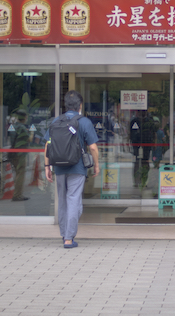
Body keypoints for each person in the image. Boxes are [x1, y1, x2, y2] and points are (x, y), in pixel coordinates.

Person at [45, 90, 99, 249]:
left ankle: (65, 235)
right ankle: (69, 238)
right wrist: (96, 164)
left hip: (59, 168)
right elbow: (93, 147)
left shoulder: (56, 121)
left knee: (63, 202)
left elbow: (48, 145)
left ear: (66, 105)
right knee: (74, 201)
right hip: (78, 168)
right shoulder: (84, 122)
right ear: (80, 106)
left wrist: (47, 166)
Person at [9, 110, 31, 202]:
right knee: (20, 174)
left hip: (13, 153)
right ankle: (17, 195)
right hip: (20, 154)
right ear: (24, 117)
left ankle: (17, 194)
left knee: (17, 173)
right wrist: (32, 132)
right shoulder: (22, 127)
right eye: (26, 117)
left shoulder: (13, 126)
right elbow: (28, 139)